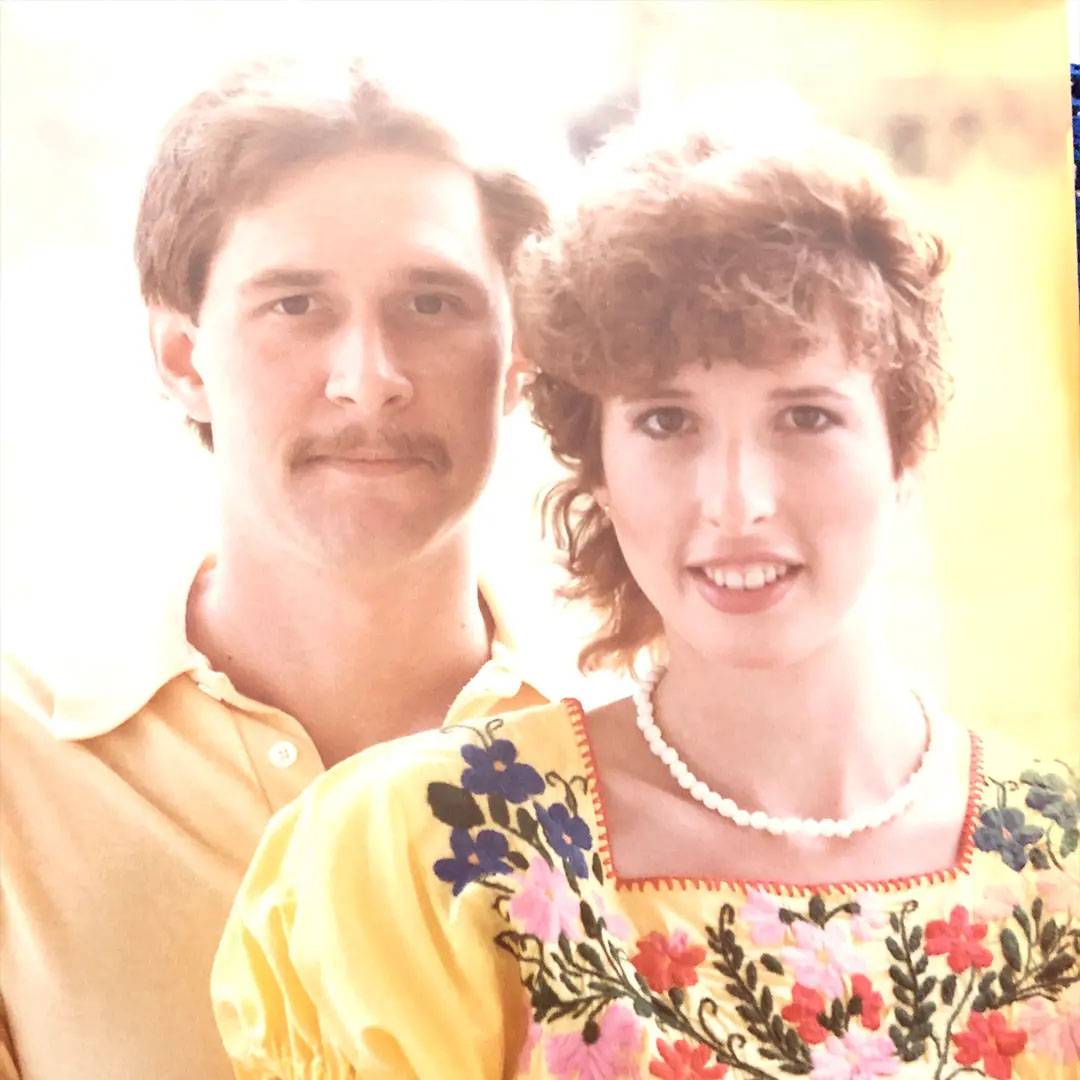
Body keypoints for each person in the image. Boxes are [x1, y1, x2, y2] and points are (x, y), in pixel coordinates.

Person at [212, 110, 1079, 1078]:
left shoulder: (1060, 857)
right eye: (668, 421)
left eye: (806, 416)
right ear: (599, 469)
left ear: (903, 448)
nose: (738, 502)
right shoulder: (436, 850)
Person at [0, 57, 552, 1080]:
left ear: (518, 357)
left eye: (432, 305)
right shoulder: (15, 770)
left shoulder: (642, 781)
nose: (370, 380)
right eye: (295, 306)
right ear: (182, 356)